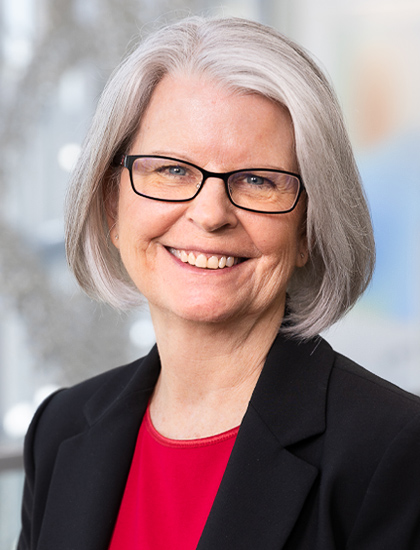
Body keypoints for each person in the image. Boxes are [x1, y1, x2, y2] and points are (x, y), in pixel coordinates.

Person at [18, 16, 420, 550]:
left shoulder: (392, 452)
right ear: (113, 205)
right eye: (171, 170)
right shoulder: (59, 429)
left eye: (258, 180)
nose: (210, 215)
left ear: (308, 229)